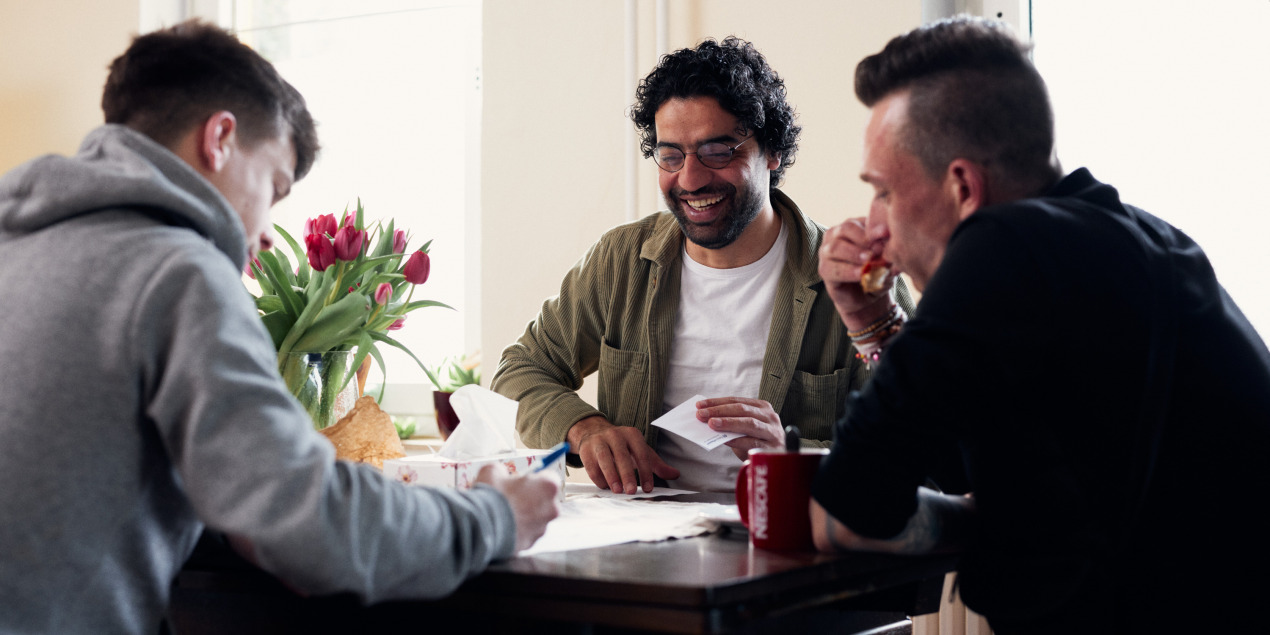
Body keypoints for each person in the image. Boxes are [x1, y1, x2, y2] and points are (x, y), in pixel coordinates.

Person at [0, 20, 557, 634]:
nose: (267, 230)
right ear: (220, 138)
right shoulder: (178, 273)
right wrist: (491, 518)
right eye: (274, 185)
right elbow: (307, 523)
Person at [810, 16, 1270, 634]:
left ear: (964, 186)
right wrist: (872, 320)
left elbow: (847, 507)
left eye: (884, 191)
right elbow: (956, 461)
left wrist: (982, 519)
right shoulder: (1136, 239)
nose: (875, 224)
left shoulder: (1004, 245)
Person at [492, 37, 915, 495]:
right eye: (671, 155)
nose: (690, 179)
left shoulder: (857, 281)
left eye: (718, 152)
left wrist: (791, 454)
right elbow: (518, 371)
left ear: (771, 152)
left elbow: (921, 449)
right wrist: (585, 427)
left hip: (793, 542)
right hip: (641, 540)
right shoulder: (621, 261)